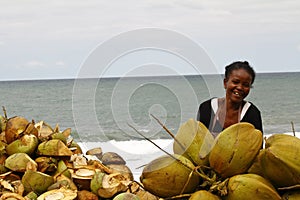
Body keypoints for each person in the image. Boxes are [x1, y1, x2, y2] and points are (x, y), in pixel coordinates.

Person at [197, 61, 263, 137]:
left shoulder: (252, 113)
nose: (240, 87)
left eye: (245, 85)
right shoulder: (206, 108)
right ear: (225, 83)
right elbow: (198, 141)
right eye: (235, 82)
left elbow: (257, 145)